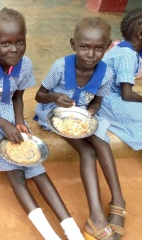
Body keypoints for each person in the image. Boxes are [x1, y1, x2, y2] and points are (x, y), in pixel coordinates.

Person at [0, 7, 84, 240]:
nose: (14, 49)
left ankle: (72, 230)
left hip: (11, 116)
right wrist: (4, 124)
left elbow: (18, 97)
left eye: (20, 42)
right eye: (6, 43)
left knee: (36, 166)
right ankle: (48, 234)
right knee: (15, 168)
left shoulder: (26, 64)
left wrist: (19, 122)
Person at [35, 17, 126, 239]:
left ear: (108, 47)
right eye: (84, 47)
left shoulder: (106, 73)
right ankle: (96, 217)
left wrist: (91, 113)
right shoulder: (60, 66)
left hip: (82, 115)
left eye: (98, 49)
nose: (90, 54)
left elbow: (96, 102)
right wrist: (55, 97)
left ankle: (118, 199)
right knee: (88, 151)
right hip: (52, 113)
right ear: (73, 44)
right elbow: (39, 95)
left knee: (101, 142)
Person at [98, 8, 142, 151]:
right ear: (140, 34)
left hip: (105, 98)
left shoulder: (124, 48)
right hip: (107, 101)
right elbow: (127, 94)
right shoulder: (127, 54)